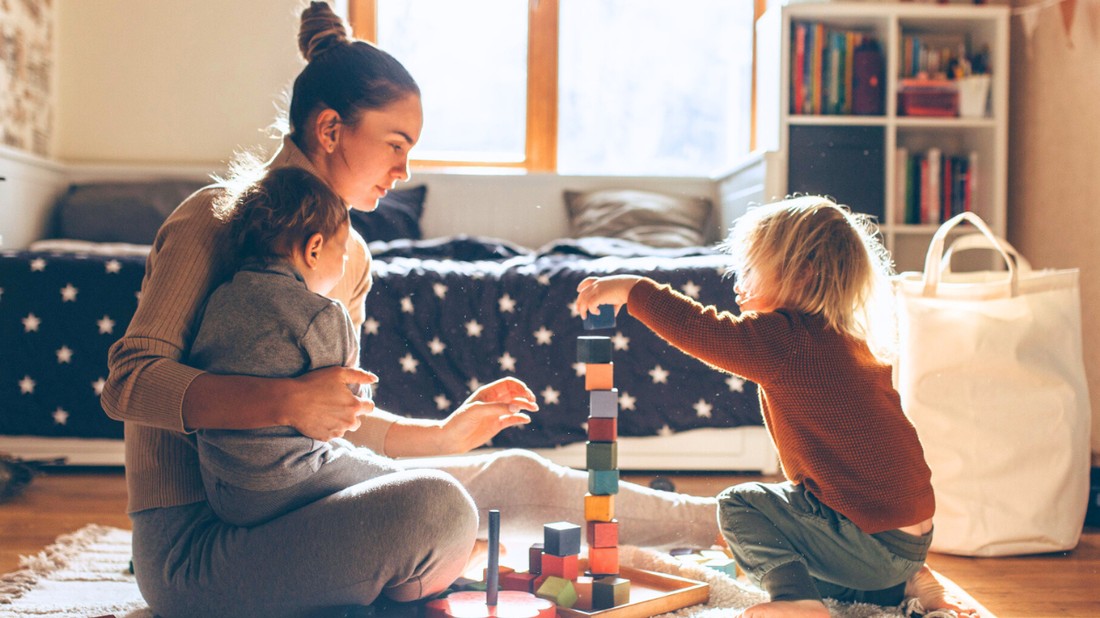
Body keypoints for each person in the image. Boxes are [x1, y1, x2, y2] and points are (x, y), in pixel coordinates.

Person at [102, 3, 716, 616]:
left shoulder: (354, 258)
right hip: (198, 543)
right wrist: (287, 402)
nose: (404, 171)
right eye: (396, 145)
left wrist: (442, 434)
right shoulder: (211, 219)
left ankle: (726, 522)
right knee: (436, 511)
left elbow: (336, 418)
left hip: (307, 491)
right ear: (330, 130)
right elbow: (129, 384)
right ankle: (408, 578)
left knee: (507, 475)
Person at [574, 196, 977, 618]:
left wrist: (633, 290)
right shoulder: (846, 339)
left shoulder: (785, 339)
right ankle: (908, 582)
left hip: (868, 540)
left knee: (738, 505)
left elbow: (700, 329)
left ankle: (798, 602)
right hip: (909, 539)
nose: (737, 284)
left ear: (801, 274)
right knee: (798, 548)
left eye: (749, 271)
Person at [189, 166, 391, 527]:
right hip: (288, 480)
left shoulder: (218, 298)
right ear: (314, 249)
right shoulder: (323, 314)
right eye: (342, 252)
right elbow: (350, 403)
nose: (345, 263)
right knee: (400, 482)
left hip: (223, 489)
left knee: (345, 457)